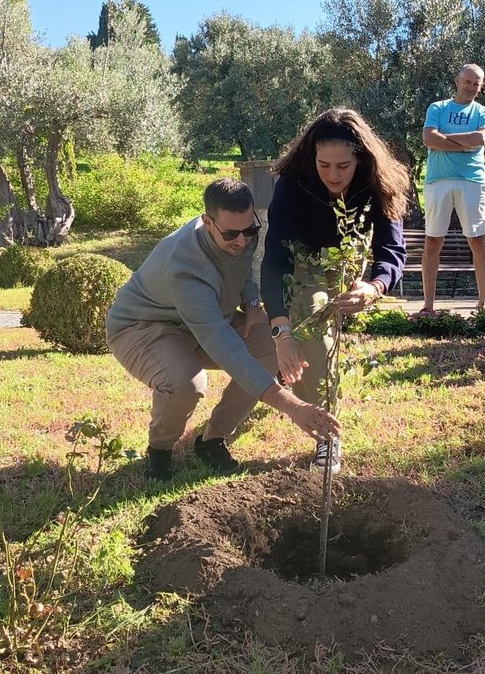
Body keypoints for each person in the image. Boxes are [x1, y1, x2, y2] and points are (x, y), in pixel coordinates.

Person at [108, 178, 340, 479]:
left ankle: (212, 439)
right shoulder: (185, 268)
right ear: (207, 222)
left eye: (249, 231)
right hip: (144, 326)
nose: (242, 242)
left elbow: (240, 271)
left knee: (270, 349)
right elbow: (225, 348)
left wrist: (253, 304)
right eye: (231, 234)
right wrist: (293, 407)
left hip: (207, 316)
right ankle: (160, 450)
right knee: (186, 383)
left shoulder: (240, 232)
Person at [263, 109, 408, 472]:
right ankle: (328, 437)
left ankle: (305, 382)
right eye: (324, 165)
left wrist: (374, 287)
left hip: (349, 265)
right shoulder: (292, 184)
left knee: (317, 338)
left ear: (362, 159)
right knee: (313, 326)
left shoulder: (380, 183)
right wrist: (282, 332)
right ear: (311, 157)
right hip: (304, 266)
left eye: (343, 166)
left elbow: (392, 250)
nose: (333, 175)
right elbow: (276, 260)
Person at [421, 63, 485, 312]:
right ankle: (428, 306)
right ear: (457, 81)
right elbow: (428, 138)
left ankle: (483, 305)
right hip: (438, 180)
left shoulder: (484, 112)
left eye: (476, 84)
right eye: (467, 82)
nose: (471, 87)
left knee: (477, 240)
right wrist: (465, 145)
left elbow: (481, 139)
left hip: (472, 180)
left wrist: (444, 139)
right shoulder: (438, 108)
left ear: (481, 87)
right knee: (433, 241)